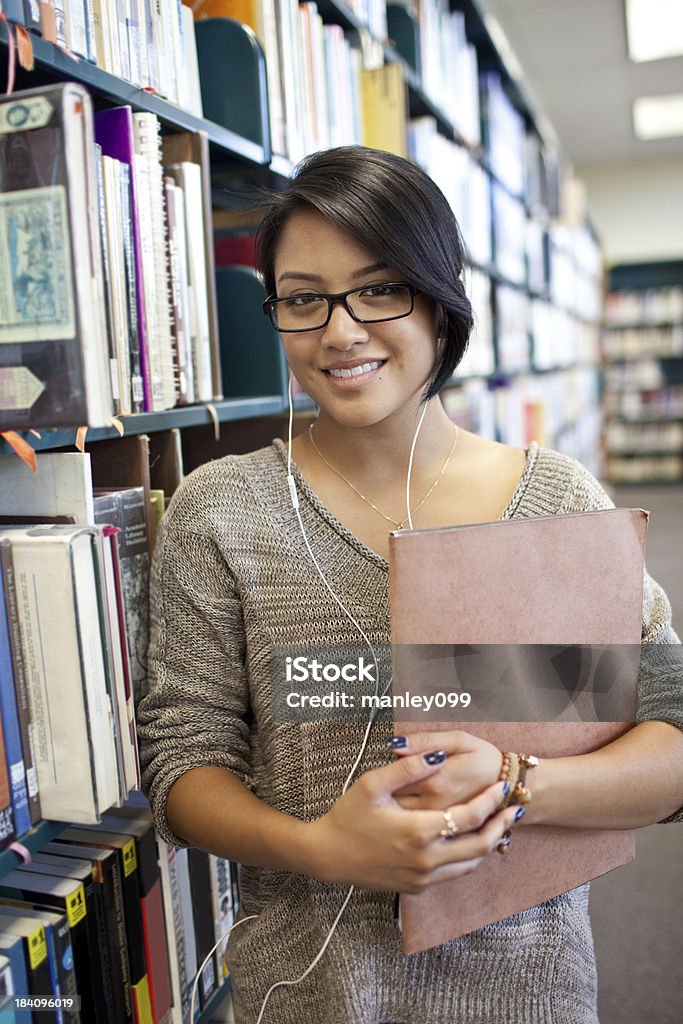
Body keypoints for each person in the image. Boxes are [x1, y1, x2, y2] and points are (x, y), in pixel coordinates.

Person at [137, 146, 683, 1024]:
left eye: (379, 288)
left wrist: (514, 782)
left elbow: (670, 737)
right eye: (304, 298)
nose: (340, 332)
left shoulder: (557, 503)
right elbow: (182, 759)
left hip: (529, 996)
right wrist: (320, 848)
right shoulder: (220, 513)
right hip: (306, 995)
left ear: (438, 298)